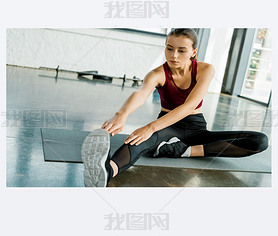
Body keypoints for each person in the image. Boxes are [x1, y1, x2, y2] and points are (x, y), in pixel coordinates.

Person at [81, 28, 268, 187]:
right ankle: (107, 171)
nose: (174, 55)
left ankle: (180, 150)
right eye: (169, 49)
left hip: (196, 128)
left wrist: (150, 127)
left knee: (259, 141)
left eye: (181, 50)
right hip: (167, 126)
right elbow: (141, 93)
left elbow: (189, 106)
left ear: (193, 52)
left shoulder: (205, 69)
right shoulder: (157, 74)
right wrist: (121, 115)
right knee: (139, 140)